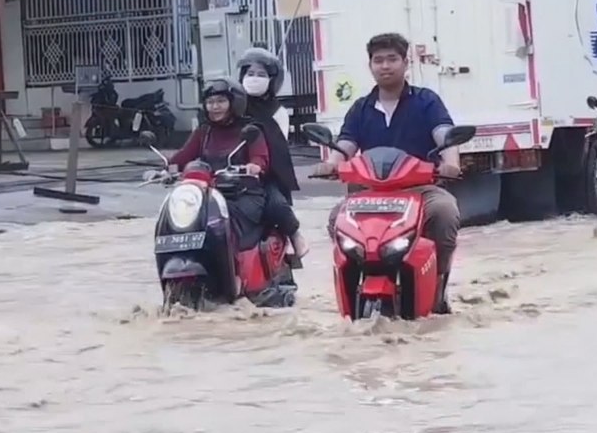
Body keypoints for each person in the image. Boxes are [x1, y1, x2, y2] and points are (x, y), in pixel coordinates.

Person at [309, 32, 461, 313]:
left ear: (406, 63)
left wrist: (451, 161)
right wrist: (331, 163)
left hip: (419, 189)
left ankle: (438, 282)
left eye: (392, 59)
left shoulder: (426, 101)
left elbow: (444, 133)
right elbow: (346, 144)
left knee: (444, 210)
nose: (385, 66)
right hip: (369, 193)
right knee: (335, 218)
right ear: (370, 66)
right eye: (378, 60)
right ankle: (352, 279)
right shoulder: (361, 107)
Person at [167, 78, 305, 253]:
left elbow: (259, 157)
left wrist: (254, 166)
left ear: (235, 103)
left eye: (221, 101)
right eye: (210, 102)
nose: (214, 107)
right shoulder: (203, 132)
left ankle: (241, 266)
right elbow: (182, 156)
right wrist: (164, 168)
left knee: (237, 221)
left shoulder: (250, 129)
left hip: (244, 192)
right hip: (210, 193)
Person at [237, 47, 307, 256]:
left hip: (266, 172)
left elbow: (277, 145)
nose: (254, 79)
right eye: (250, 74)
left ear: (272, 80)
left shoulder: (278, 112)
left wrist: (257, 164)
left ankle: (295, 236)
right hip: (230, 171)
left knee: (275, 203)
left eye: (261, 75)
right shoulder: (233, 106)